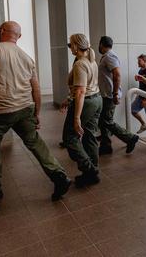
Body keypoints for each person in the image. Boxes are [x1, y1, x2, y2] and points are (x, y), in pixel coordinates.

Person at [0, 21, 71, 202]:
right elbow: (36, 88)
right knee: (35, 143)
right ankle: (58, 175)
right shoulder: (27, 57)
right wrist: (37, 113)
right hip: (25, 108)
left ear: (1, 32)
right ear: (19, 36)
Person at [60, 34, 102, 188]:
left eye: (70, 44)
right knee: (89, 136)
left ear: (77, 46)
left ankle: (89, 170)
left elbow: (81, 91)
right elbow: (80, 89)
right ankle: (93, 171)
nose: (69, 47)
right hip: (96, 100)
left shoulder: (80, 64)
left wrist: (77, 118)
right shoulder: (91, 61)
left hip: (87, 102)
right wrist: (68, 99)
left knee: (69, 137)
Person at [96, 36, 140, 155]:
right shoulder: (106, 56)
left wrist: (115, 93)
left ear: (101, 44)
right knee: (103, 120)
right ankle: (106, 146)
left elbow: (117, 75)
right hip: (106, 95)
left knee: (107, 120)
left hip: (110, 95)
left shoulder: (110, 56)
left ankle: (130, 138)